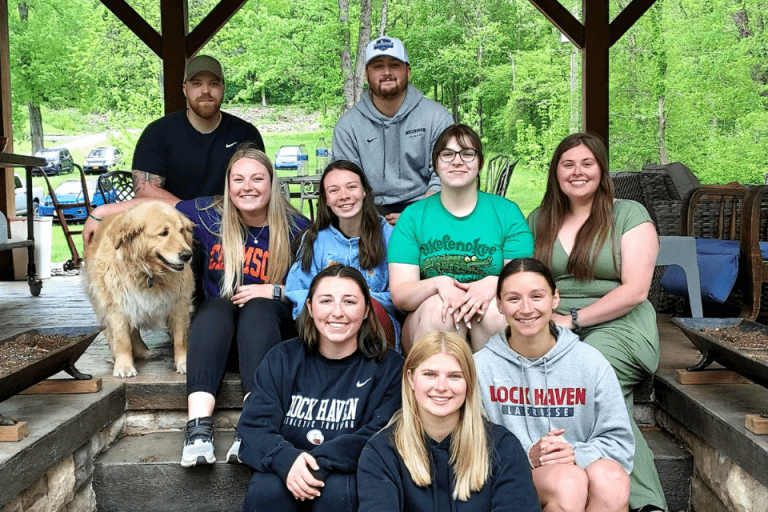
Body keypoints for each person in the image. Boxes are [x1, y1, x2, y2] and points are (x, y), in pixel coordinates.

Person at [85, 144, 310, 468]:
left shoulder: (296, 227)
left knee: (258, 309)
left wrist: (274, 289)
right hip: (217, 341)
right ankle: (198, 431)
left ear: (272, 183)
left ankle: (253, 429)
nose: (247, 186)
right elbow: (152, 206)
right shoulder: (208, 214)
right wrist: (100, 213)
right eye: (239, 179)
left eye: (258, 178)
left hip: (267, 337)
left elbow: (317, 286)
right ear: (228, 185)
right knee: (214, 307)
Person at [527, 133, 665, 512]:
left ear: (602, 170)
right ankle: (582, 486)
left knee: (591, 370)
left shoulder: (628, 213)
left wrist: (573, 318)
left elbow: (636, 289)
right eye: (568, 164)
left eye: (587, 163)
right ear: (556, 172)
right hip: (555, 325)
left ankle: (642, 500)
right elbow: (525, 279)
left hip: (621, 324)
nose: (577, 172)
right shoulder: (539, 219)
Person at [237, 264, 403, 512]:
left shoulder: (389, 367)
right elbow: (254, 424)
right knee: (267, 490)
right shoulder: (282, 358)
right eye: (326, 301)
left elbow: (383, 433)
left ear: (367, 309)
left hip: (347, 470)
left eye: (349, 302)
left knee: (339, 493)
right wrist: (286, 459)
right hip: (285, 467)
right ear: (310, 308)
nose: (337, 312)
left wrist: (320, 461)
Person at [474, 257, 634, 512]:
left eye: (537, 296)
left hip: (579, 468)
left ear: (555, 298)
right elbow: (468, 445)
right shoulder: (480, 367)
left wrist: (574, 455)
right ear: (500, 305)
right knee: (568, 482)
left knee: (612, 480)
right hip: (511, 477)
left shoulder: (590, 361)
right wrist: (529, 455)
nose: (526, 309)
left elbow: (620, 443)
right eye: (514, 299)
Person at [388, 124, 534, 353]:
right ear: (435, 164)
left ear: (480, 163)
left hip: (488, 316)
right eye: (447, 154)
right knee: (442, 310)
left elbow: (524, 282)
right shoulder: (414, 217)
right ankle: (437, 385)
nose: (457, 161)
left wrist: (494, 283)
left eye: (467, 153)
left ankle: (492, 387)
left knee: (495, 312)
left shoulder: (506, 213)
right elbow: (401, 295)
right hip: (428, 319)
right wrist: (438, 283)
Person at [357, 330, 540, 511]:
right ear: (410, 379)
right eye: (430, 374)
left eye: (454, 376)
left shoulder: (503, 447)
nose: (441, 387)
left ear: (469, 383)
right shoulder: (381, 452)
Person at [332, 35, 453, 225]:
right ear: (366, 74)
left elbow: (446, 173)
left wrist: (417, 215)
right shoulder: (348, 127)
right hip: (368, 213)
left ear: (408, 71)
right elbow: (345, 183)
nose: (387, 72)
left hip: (428, 207)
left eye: (394, 65)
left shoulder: (437, 117)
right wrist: (373, 221)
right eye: (378, 66)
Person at [285, 160, 401, 351]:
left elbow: (399, 296)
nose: (344, 196)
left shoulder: (390, 236)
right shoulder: (313, 240)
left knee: (367, 308)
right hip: (326, 329)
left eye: (351, 187)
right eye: (334, 190)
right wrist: (332, 304)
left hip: (375, 327)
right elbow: (296, 291)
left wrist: (356, 302)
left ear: (364, 191)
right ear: (325, 199)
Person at [132, 55, 265, 202]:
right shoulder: (157, 133)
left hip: (232, 221)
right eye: (196, 84)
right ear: (185, 89)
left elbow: (260, 186)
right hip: (176, 221)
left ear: (223, 89)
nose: (205, 91)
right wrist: (192, 213)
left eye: (213, 84)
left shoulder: (245, 134)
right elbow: (144, 191)